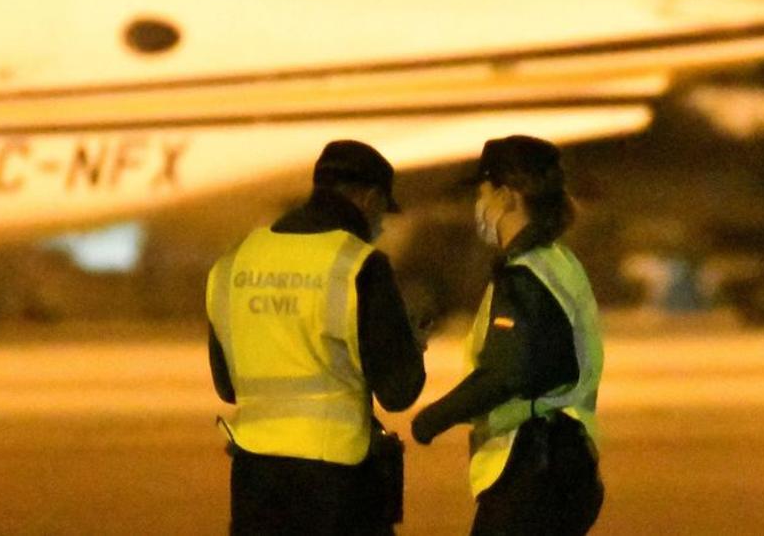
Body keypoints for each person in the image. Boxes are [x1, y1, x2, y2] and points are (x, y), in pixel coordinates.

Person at [207, 139, 426, 535]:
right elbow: (399, 391)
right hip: (338, 482)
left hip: (255, 480)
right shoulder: (360, 265)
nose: (381, 224)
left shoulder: (236, 261)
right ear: (369, 199)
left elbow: (227, 386)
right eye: (382, 211)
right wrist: (409, 344)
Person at [410, 135, 604, 535]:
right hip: (569, 459)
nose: (478, 207)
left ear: (508, 196)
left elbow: (507, 373)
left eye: (483, 194)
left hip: (530, 467)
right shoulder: (558, 262)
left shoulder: (524, 276)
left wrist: (432, 419)